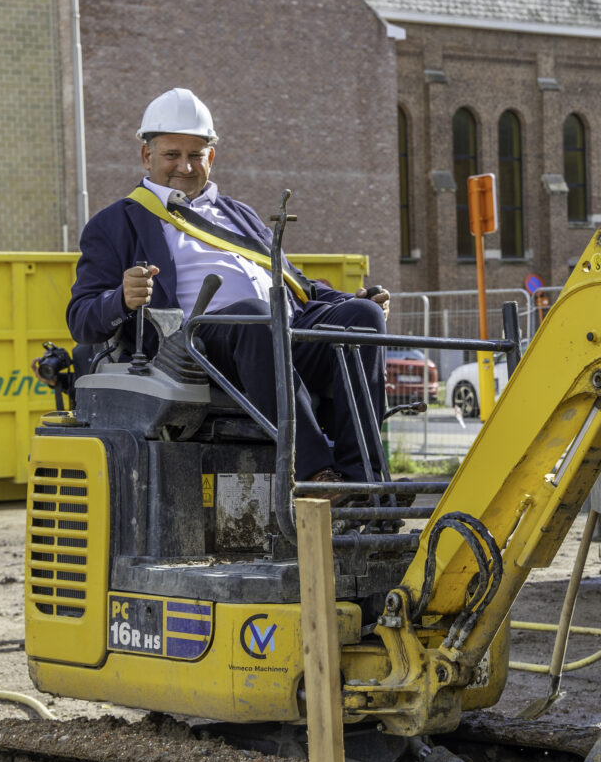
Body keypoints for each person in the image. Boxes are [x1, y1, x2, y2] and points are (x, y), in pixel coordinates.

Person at [66, 87, 389, 483]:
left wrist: (354, 300)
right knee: (254, 317)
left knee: (362, 317)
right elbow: (80, 318)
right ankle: (313, 473)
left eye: (195, 155)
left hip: (279, 336)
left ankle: (367, 478)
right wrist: (122, 299)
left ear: (211, 158)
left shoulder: (238, 214)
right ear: (147, 156)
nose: (184, 166)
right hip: (202, 350)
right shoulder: (115, 223)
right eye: (172, 155)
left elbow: (296, 283)